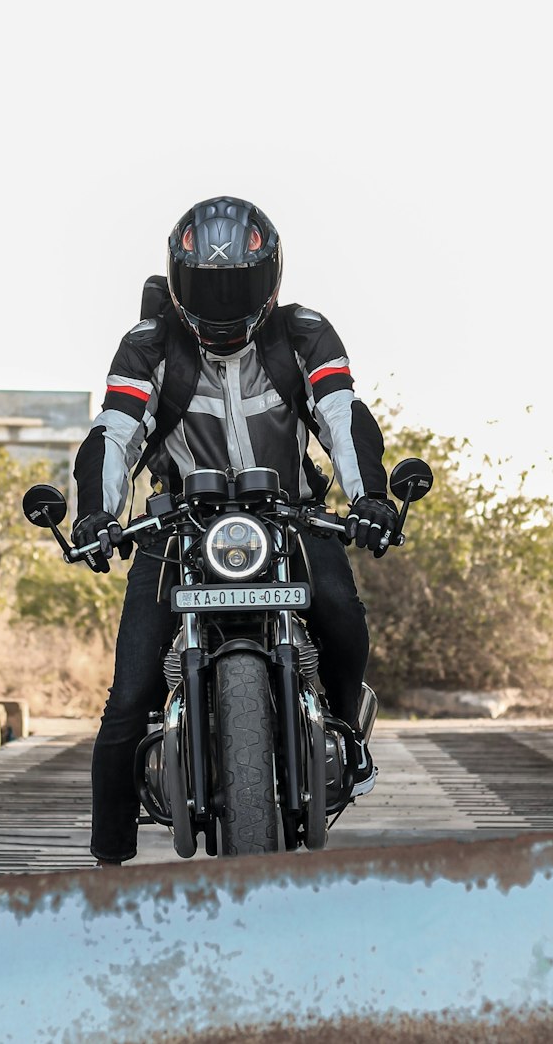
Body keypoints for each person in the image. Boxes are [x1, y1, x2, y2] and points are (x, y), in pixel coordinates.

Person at [72, 196, 398, 865]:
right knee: (129, 693)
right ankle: (107, 869)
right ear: (178, 278)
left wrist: (371, 499)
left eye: (238, 283)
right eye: (207, 283)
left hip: (290, 516)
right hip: (181, 526)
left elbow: (342, 416)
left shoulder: (303, 334)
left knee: (339, 609)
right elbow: (116, 433)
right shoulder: (148, 346)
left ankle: (348, 731)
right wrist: (98, 514)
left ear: (269, 278)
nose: (223, 299)